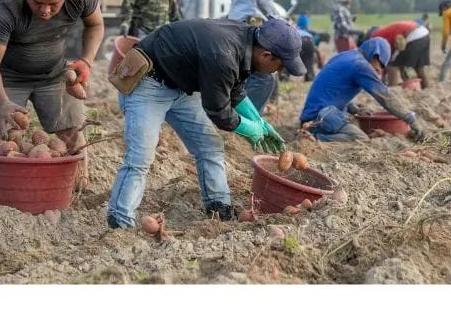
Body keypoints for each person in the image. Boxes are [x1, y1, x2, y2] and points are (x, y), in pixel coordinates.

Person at [106, 18, 306, 226]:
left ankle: (218, 209)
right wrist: (250, 129)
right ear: (266, 55)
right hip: (148, 82)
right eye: (280, 65)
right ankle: (119, 223)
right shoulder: (224, 53)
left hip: (183, 86)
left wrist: (259, 121)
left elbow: (235, 89)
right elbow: (218, 111)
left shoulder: (249, 42)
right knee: (140, 156)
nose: (278, 71)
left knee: (210, 146)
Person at [0, 0, 104, 189]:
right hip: (6, 77)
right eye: (37, 2)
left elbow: (95, 24)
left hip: (54, 72)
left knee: (73, 133)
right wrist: (2, 102)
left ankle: (78, 190)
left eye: (53, 4)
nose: (45, 11)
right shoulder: (3, 6)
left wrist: (86, 60)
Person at [299, 37, 426, 142]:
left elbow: (334, 89)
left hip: (316, 113)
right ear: (375, 55)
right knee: (360, 138)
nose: (379, 70)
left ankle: (313, 132)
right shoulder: (360, 65)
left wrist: (353, 108)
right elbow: (385, 96)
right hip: (319, 117)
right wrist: (410, 119)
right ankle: (315, 138)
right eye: (380, 64)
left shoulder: (347, 56)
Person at [366, 20, 431, 88]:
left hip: (413, 36)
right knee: (418, 67)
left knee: (391, 66)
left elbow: (386, 56)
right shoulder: (386, 32)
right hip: (424, 34)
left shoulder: (375, 37)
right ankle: (426, 88)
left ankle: (392, 90)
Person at [295, 13, 325, 82]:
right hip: (309, 40)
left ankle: (284, 77)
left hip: (298, 39)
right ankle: (310, 76)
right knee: (308, 62)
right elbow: (315, 45)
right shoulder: (310, 31)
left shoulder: (295, 28)